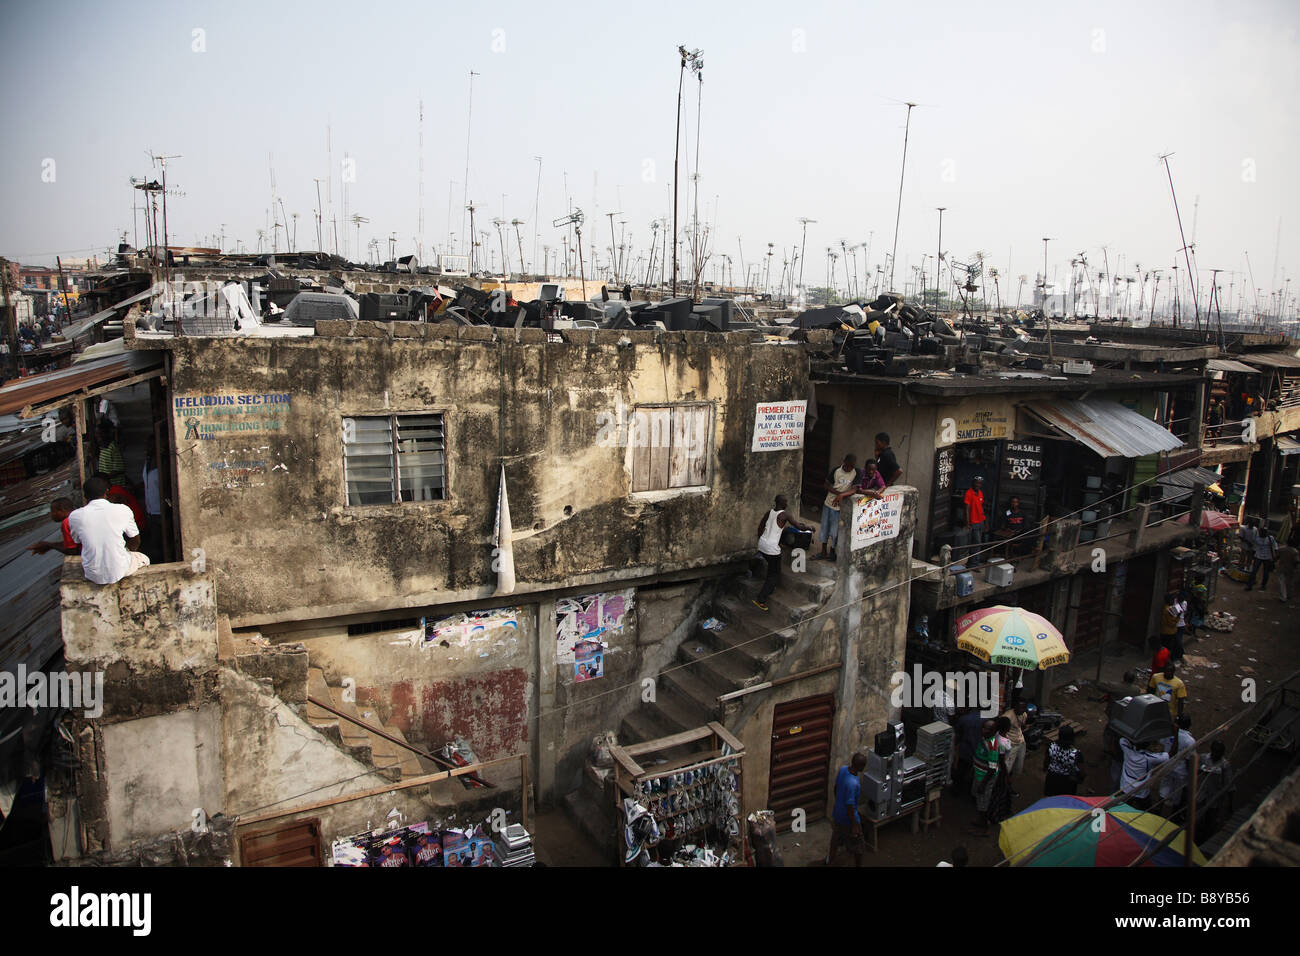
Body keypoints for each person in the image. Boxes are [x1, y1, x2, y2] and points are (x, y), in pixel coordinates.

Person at [66, 475, 150, 585]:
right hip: (120, 570)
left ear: (85, 495)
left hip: (92, 574)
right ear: (107, 491)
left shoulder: (74, 516)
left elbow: (77, 541)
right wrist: (126, 552)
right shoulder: (122, 509)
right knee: (144, 558)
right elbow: (136, 540)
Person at [752, 494, 815, 612]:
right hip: (772, 549)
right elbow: (799, 527)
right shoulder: (784, 515)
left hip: (762, 544)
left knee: (771, 568)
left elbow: (760, 528)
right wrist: (810, 527)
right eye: (785, 502)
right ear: (782, 503)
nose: (787, 504)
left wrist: (762, 541)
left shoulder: (769, 512)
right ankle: (761, 599)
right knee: (774, 574)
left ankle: (768, 586)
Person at [826, 752, 867, 867]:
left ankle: (830, 861)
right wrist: (854, 824)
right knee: (858, 846)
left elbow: (836, 787)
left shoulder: (843, 770)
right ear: (860, 767)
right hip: (848, 820)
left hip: (838, 814)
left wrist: (838, 803)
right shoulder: (853, 783)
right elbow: (850, 806)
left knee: (835, 840)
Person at [818, 453, 860, 561]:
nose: (849, 468)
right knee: (824, 528)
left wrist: (842, 495)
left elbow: (855, 489)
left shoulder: (856, 473)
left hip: (841, 507)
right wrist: (837, 493)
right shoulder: (836, 470)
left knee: (835, 531)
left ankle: (832, 551)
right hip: (829, 503)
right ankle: (823, 551)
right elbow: (826, 485)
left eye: (851, 466)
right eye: (847, 465)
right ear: (843, 462)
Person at [969, 719, 1003, 835]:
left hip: (985, 778)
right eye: (983, 728)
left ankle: (983, 828)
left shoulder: (992, 745)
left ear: (994, 731)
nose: (984, 730)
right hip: (979, 775)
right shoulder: (984, 739)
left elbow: (992, 768)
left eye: (988, 729)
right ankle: (980, 820)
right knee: (979, 800)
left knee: (984, 802)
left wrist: (983, 783)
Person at [1118, 736, 1170, 811]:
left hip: (1126, 788)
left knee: (1121, 811)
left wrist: (1135, 738)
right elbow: (1170, 755)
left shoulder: (1127, 750)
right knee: (1146, 812)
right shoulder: (1150, 758)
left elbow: (1122, 739)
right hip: (1142, 792)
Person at [1196, 741, 1235, 838]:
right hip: (1201, 793)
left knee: (1211, 819)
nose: (1216, 754)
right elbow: (1194, 770)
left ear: (1222, 753)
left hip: (1214, 797)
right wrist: (1201, 770)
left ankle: (1206, 837)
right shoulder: (1203, 758)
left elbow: (1229, 784)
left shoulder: (1225, 765)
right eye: (1215, 751)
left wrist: (1230, 804)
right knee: (1197, 818)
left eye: (1219, 752)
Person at [1160, 715, 1196, 816]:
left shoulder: (1168, 733)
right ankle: (1174, 818)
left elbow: (1162, 744)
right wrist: (1190, 776)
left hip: (1167, 766)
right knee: (1176, 797)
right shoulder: (1190, 741)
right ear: (1188, 726)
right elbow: (1189, 759)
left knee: (1164, 792)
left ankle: (1158, 813)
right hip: (1180, 772)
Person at [1043, 725, 1085, 796]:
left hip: (1052, 779)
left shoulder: (1051, 747)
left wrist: (1047, 769)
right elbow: (1082, 772)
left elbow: (1046, 762)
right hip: (1068, 783)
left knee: (1051, 801)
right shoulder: (1076, 754)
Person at [952, 708, 984, 798]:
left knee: (961, 770)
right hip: (979, 750)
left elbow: (958, 732)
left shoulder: (964, 719)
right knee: (976, 773)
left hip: (965, 750)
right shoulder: (986, 719)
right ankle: (972, 792)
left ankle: (956, 790)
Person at [1000, 700, 1029, 795]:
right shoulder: (1007, 717)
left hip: (1020, 742)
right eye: (1020, 707)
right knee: (1006, 769)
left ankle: (1007, 785)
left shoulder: (1024, 714)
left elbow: (1021, 726)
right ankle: (1004, 788)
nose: (1022, 710)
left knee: (1017, 767)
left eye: (1024, 707)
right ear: (1015, 707)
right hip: (1011, 745)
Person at [142, 451, 164, 562]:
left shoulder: (161, 469)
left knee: (159, 540)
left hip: (160, 510)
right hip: (150, 510)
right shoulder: (147, 465)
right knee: (154, 539)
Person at [1247, 523, 1279, 592]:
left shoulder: (1270, 538)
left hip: (1267, 557)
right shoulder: (1257, 538)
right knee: (1254, 571)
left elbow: (1275, 546)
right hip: (1258, 556)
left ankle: (1263, 585)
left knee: (1265, 572)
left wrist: (1275, 555)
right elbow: (1253, 546)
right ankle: (1250, 585)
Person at [94, 422, 127, 486]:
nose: (98, 435)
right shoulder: (102, 447)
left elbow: (119, 469)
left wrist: (104, 478)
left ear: (107, 434)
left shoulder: (113, 447)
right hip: (107, 484)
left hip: (116, 485)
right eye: (97, 433)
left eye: (101, 433)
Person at [1160, 591, 1188, 662]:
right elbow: (1171, 623)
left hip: (1174, 628)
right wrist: (1177, 617)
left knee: (1174, 644)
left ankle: (1173, 657)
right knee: (1171, 645)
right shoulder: (1168, 609)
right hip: (1169, 631)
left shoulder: (1169, 608)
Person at [964, 476, 987, 546]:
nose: (977, 485)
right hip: (973, 522)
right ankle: (974, 557)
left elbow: (981, 507)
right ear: (973, 483)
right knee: (977, 541)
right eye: (976, 483)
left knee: (979, 541)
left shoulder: (980, 493)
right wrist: (967, 523)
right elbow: (966, 509)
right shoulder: (968, 493)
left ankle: (977, 556)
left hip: (981, 521)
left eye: (979, 483)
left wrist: (985, 521)